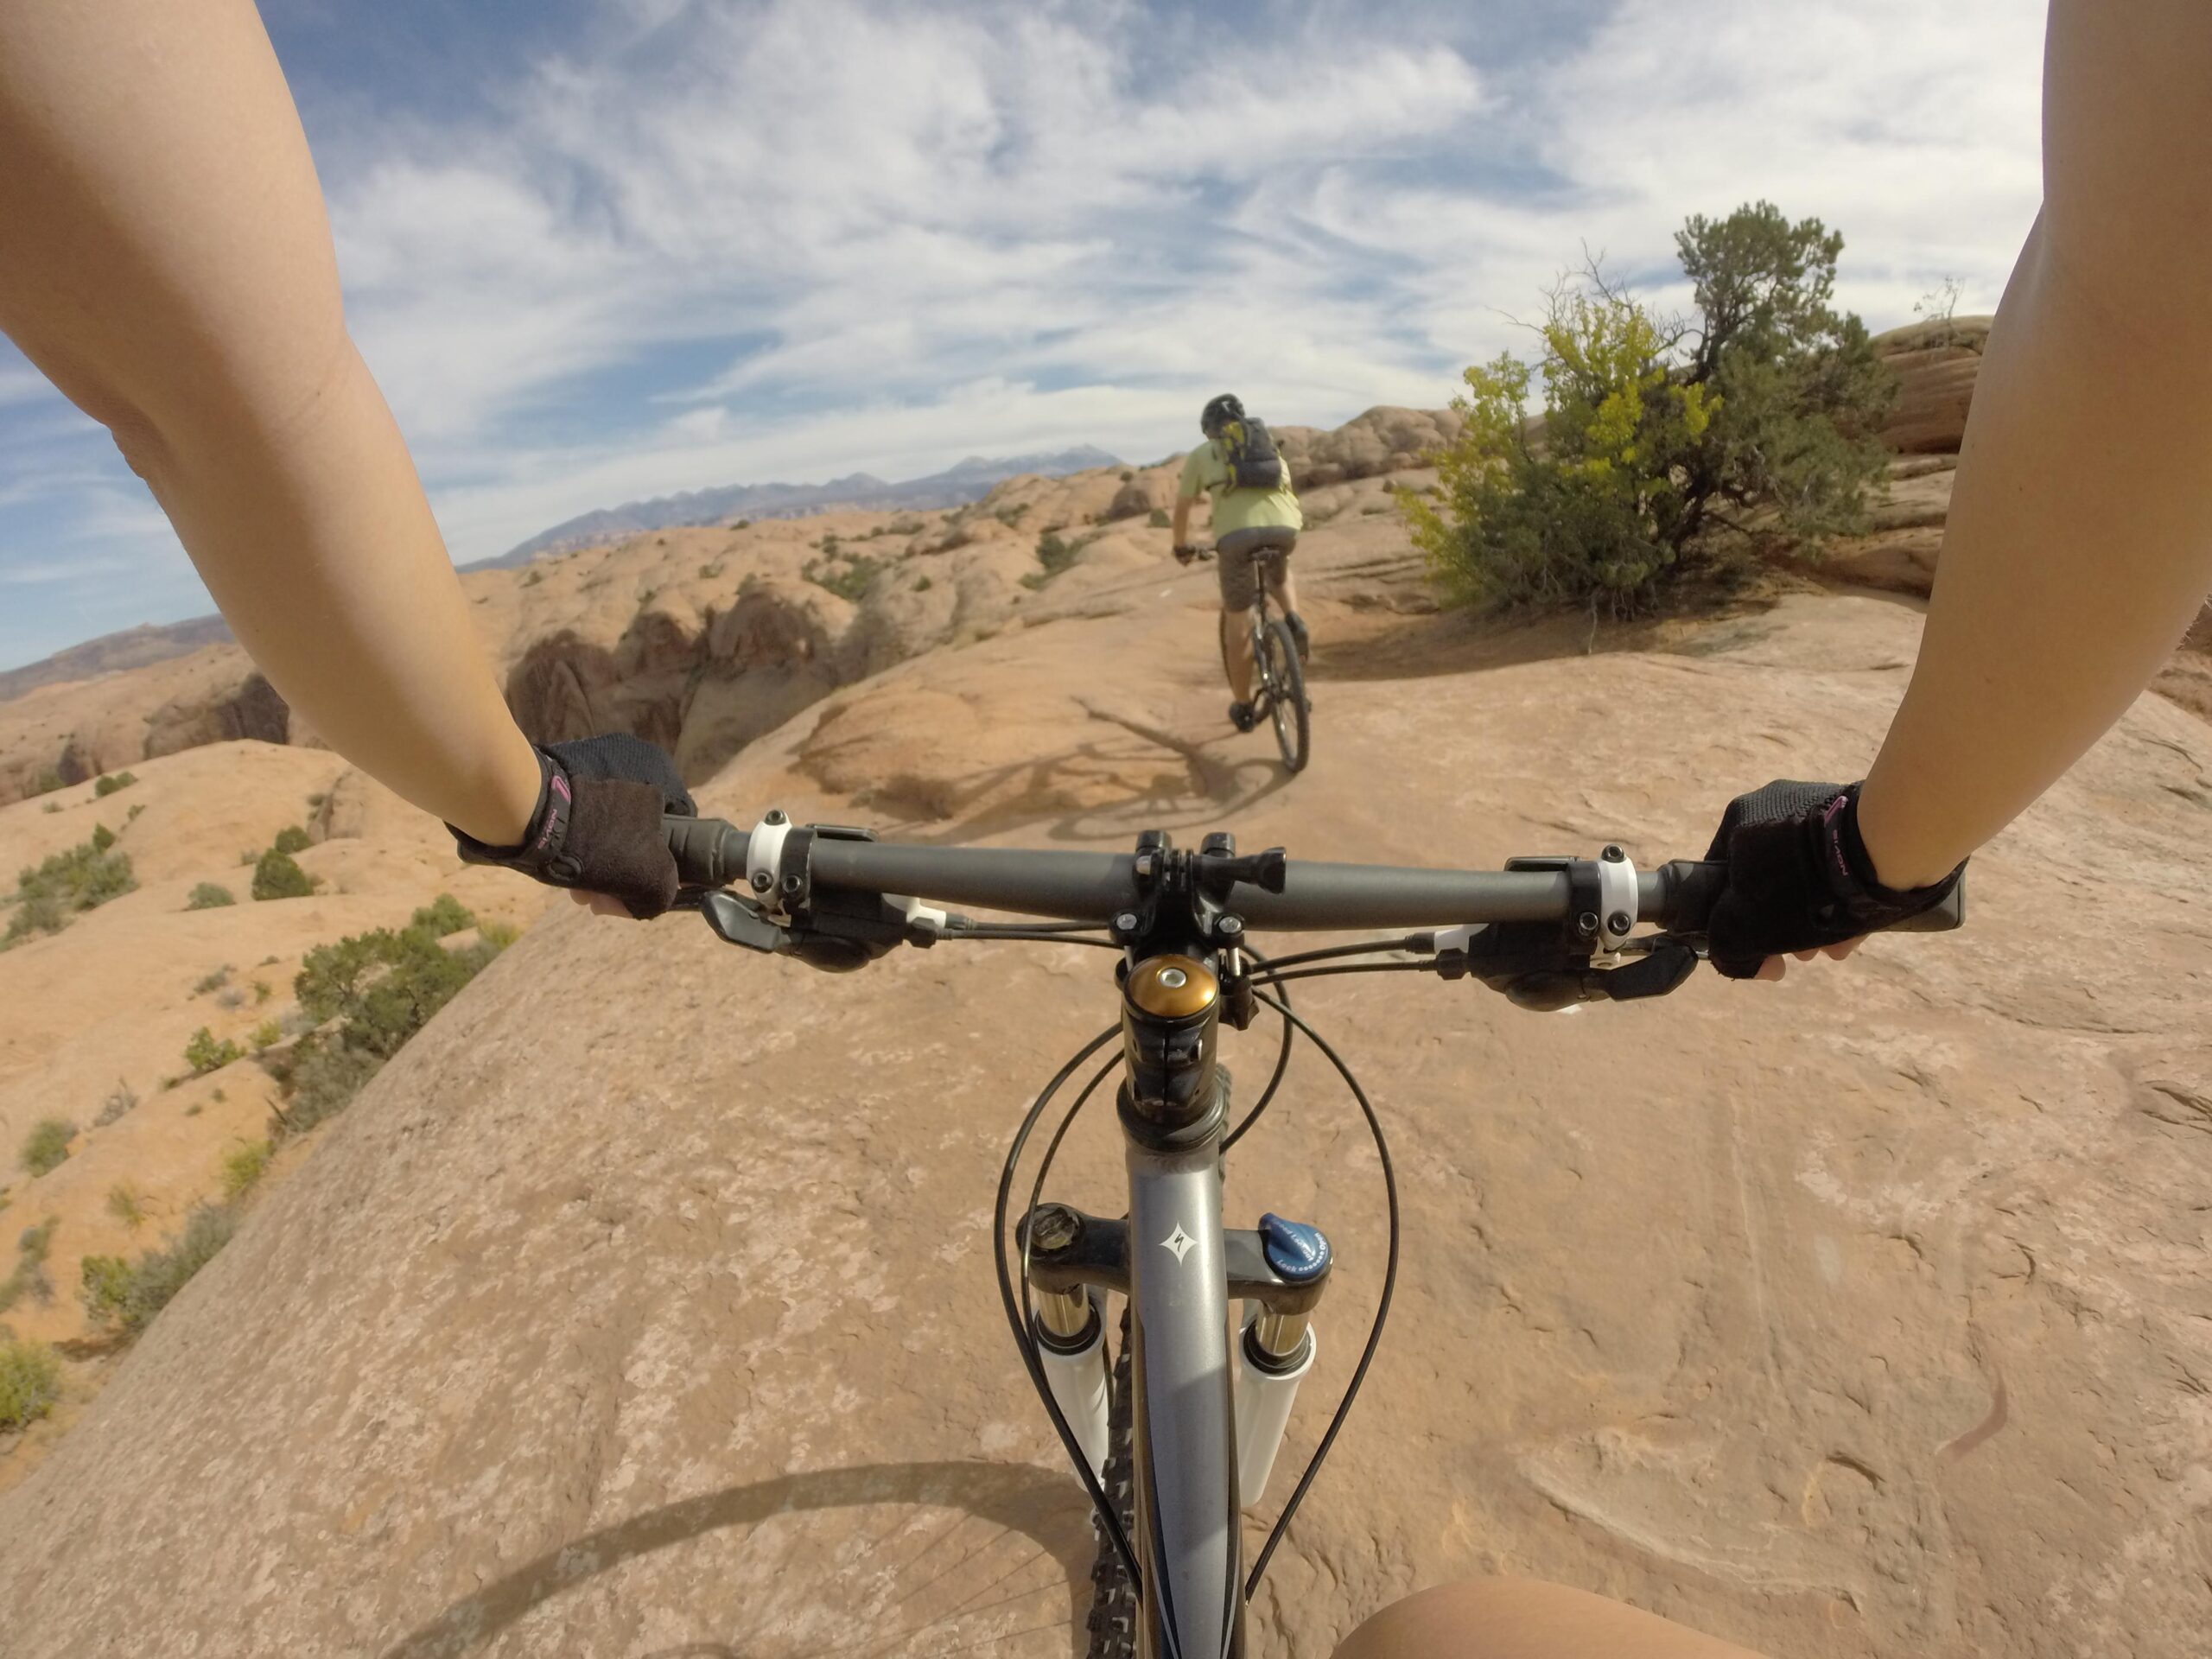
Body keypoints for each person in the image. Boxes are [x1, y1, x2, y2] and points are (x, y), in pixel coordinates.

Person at [2, 1, 2207, 1654]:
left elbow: (210, 385)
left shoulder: (1216, 463)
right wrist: (1854, 853)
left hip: (1198, 580)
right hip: (1326, 603)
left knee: (1245, 620)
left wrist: (556, 808)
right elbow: (2145, 304)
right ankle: (1266, 704)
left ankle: (1255, 674)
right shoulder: (1263, 456)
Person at [1170, 392, 1309, 733]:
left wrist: (1181, 546)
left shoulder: (1204, 454)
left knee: (1238, 622)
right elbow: (1288, 489)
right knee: (1280, 572)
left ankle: (1244, 705)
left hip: (1236, 537)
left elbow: (1183, 507)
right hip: (1285, 528)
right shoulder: (1269, 448)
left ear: (1209, 431)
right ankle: (1292, 617)